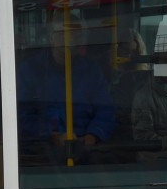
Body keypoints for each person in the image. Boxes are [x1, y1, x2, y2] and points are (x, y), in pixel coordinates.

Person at [16, 13, 116, 163]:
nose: (70, 39)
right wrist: (51, 135)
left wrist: (93, 135)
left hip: (87, 151)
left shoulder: (91, 70)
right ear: (50, 38)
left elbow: (106, 110)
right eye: (63, 33)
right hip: (41, 154)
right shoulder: (30, 70)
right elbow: (20, 116)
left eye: (75, 34)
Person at [131, 57, 167, 159]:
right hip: (158, 163)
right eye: (166, 59)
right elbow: (142, 137)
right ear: (157, 64)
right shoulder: (144, 96)